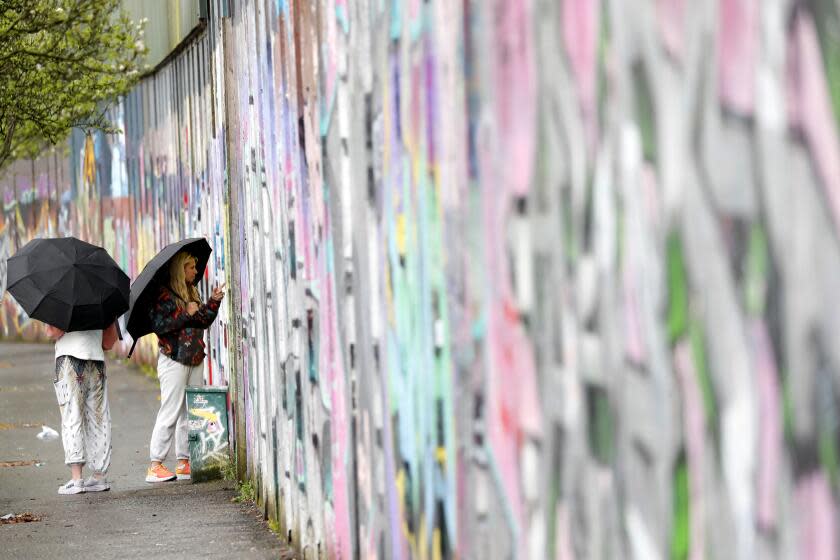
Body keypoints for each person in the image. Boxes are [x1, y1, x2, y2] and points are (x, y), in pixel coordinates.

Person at [145, 251, 225, 483]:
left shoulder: (190, 291)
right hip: (174, 359)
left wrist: (213, 302)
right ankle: (155, 464)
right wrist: (184, 312)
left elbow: (201, 321)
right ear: (181, 269)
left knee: (190, 412)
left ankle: (184, 461)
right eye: (191, 267)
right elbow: (160, 326)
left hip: (195, 357)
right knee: (171, 410)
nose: (195, 272)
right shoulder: (164, 295)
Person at [45, 322, 119, 495]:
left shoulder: (63, 296)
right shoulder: (104, 297)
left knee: (72, 416)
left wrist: (48, 323)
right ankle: (99, 477)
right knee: (99, 418)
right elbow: (108, 342)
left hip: (69, 360)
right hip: (97, 360)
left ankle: (77, 478)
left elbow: (53, 332)